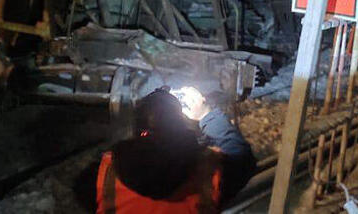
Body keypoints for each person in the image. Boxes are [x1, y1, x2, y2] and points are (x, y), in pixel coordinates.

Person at [95, 86, 255, 213]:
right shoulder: (208, 169)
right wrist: (206, 115)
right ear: (180, 127)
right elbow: (240, 155)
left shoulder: (109, 166)